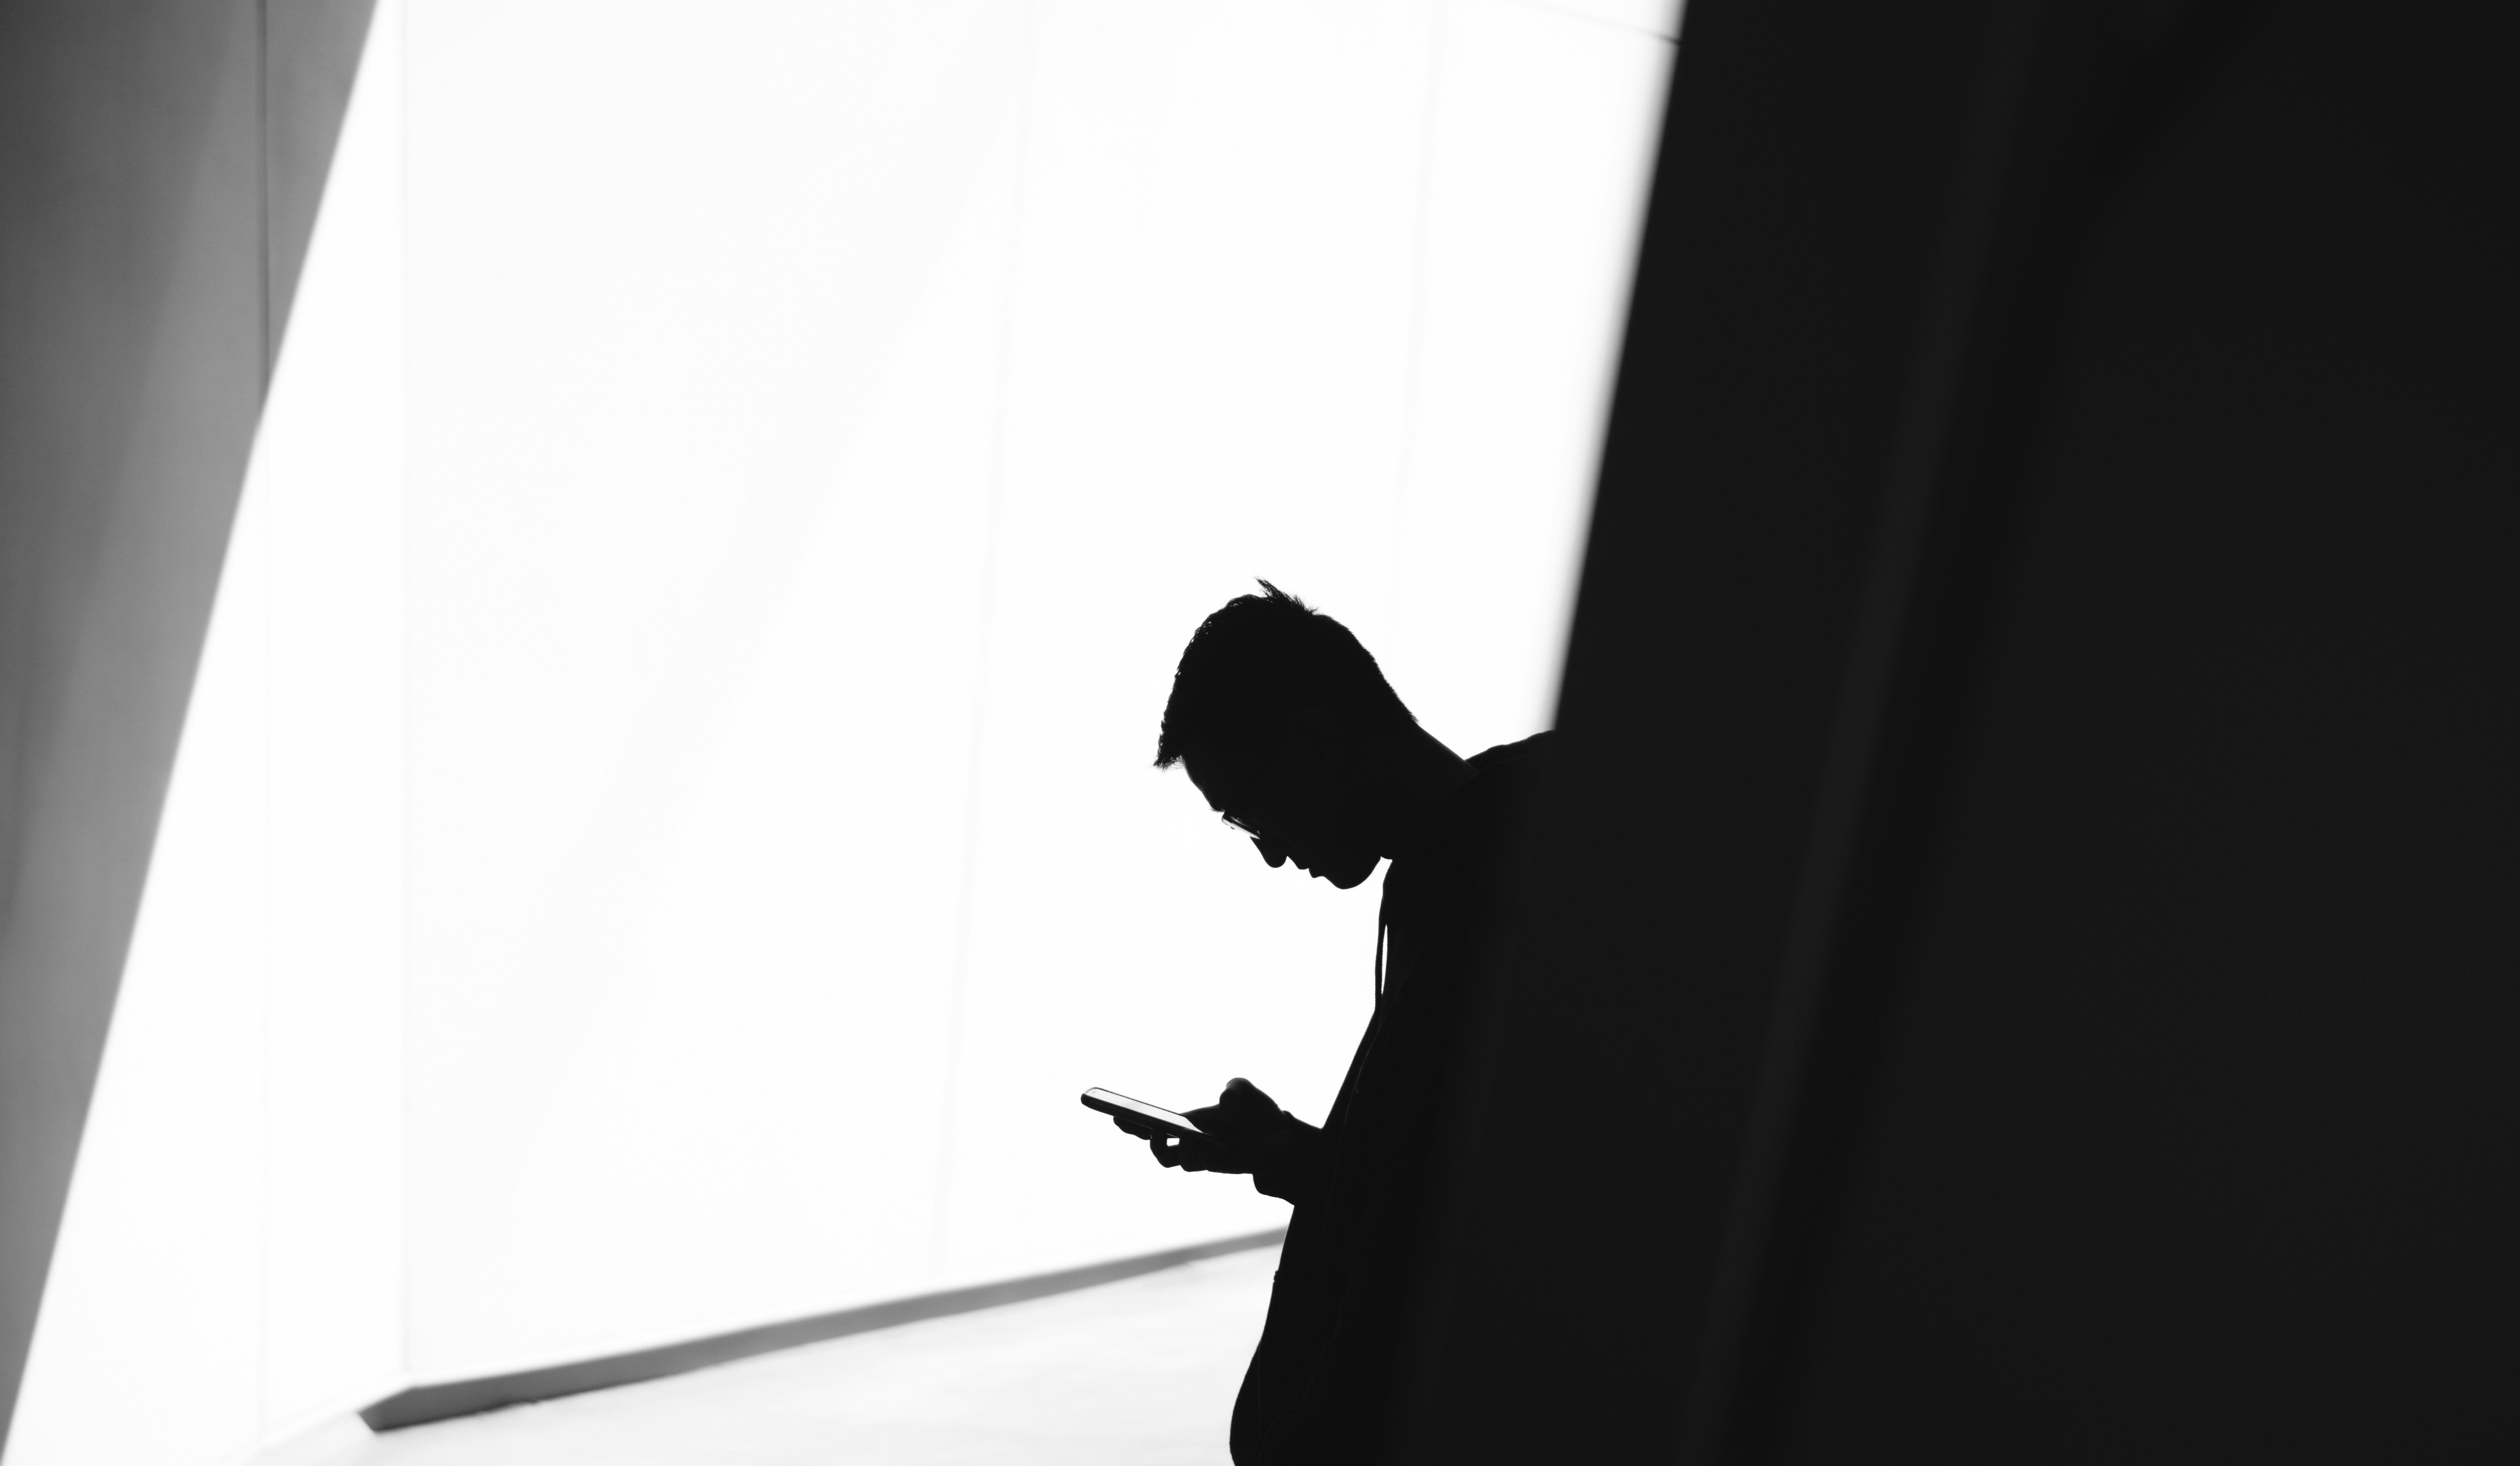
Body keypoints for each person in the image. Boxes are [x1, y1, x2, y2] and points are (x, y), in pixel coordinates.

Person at [1110, 581, 1550, 1464]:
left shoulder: (1512, 881)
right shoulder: (1435, 881)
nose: (1270, 850)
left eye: (1248, 811)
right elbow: (1429, 1184)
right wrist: (1280, 1151)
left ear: (1312, 740)